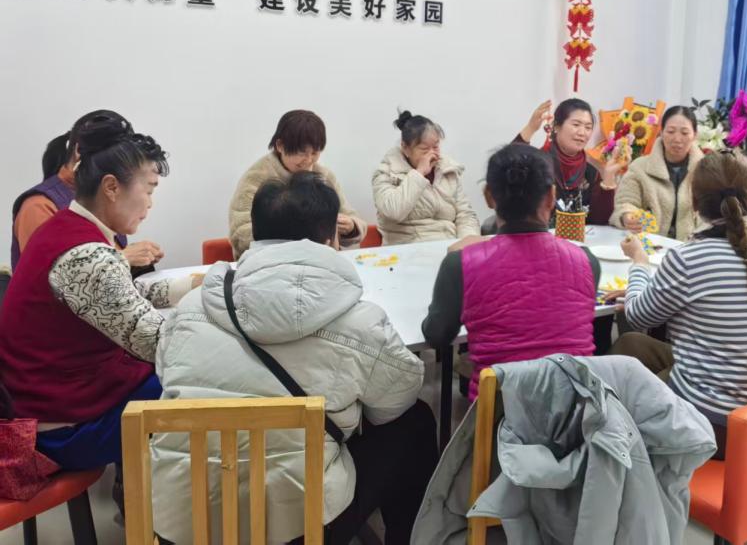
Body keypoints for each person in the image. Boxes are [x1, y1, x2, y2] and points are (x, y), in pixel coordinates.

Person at [152, 172, 435, 545]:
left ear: (255, 235)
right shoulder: (359, 321)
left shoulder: (190, 308)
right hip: (298, 528)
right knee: (413, 422)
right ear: (331, 238)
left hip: (184, 523)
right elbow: (393, 405)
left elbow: (166, 374)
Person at [0, 115, 197, 473]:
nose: (150, 204)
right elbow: (160, 343)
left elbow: (124, 292)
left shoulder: (65, 227)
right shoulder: (86, 255)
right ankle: (174, 502)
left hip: (49, 406)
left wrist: (196, 287)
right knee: (202, 382)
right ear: (111, 187)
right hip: (62, 433)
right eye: (149, 190)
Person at [609, 151, 747, 457]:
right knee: (632, 345)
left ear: (694, 203)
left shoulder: (688, 258)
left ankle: (624, 452)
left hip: (709, 423)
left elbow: (639, 316)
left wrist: (639, 263)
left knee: (621, 379)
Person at [421, 144, 601, 399]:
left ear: (488, 196)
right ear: (551, 196)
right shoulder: (587, 262)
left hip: (498, 415)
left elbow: (436, 336)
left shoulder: (460, 264)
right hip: (577, 412)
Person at [10, 110, 166, 272]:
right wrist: (124, 257)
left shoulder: (103, 203)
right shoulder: (39, 205)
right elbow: (54, 274)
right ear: (79, 152)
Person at [229, 110, 366, 258]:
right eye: (301, 152)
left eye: (315, 153)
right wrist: (297, 241)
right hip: (268, 262)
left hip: (319, 262)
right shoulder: (256, 178)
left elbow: (352, 216)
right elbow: (240, 233)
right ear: (280, 145)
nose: (308, 160)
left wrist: (351, 226)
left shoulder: (324, 176)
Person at [372, 110, 480, 245]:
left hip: (450, 246)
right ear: (405, 148)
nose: (432, 154)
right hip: (407, 249)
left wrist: (466, 247)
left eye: (436, 147)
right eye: (424, 149)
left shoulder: (447, 170)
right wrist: (419, 173)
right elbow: (393, 211)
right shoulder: (386, 173)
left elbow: (466, 216)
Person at [513, 99, 621, 225]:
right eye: (576, 125)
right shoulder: (536, 163)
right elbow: (507, 173)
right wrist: (530, 128)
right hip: (535, 234)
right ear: (556, 126)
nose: (582, 133)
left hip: (577, 237)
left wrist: (608, 178)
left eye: (588, 127)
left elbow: (599, 220)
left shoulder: (591, 173)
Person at [610, 105, 705, 240]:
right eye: (670, 131)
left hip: (692, 247)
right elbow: (625, 203)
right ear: (661, 132)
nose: (677, 139)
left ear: (695, 135)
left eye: (684, 133)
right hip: (648, 244)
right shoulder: (639, 167)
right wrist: (627, 216)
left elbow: (713, 215)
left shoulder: (706, 170)